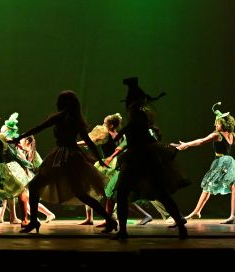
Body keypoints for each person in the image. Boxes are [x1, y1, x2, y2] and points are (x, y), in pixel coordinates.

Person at [17, 90, 117, 234]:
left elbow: (38, 128)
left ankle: (33, 221)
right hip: (71, 155)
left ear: (63, 103)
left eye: (59, 101)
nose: (56, 103)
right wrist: (99, 159)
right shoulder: (76, 119)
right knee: (80, 193)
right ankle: (110, 219)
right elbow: (89, 142)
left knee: (35, 186)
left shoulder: (60, 117)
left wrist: (18, 138)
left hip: (63, 156)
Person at [113, 77, 189, 239]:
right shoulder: (138, 114)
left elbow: (134, 128)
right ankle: (123, 231)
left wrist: (121, 133)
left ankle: (123, 231)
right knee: (131, 192)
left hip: (140, 156)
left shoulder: (137, 115)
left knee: (130, 192)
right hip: (142, 155)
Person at [172, 102, 235, 224]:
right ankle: (230, 215)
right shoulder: (232, 135)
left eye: (218, 123)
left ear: (224, 123)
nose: (215, 125)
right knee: (230, 186)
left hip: (221, 162)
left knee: (208, 185)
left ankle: (197, 212)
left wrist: (186, 144)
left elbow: (201, 141)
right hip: (230, 162)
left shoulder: (217, 135)